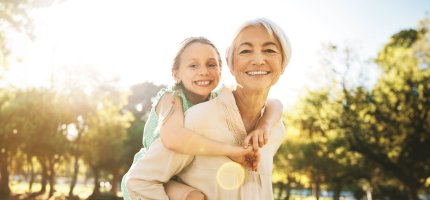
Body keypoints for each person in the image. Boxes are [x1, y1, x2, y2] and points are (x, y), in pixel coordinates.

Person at [126, 18, 291, 200]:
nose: (259, 60)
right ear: (231, 63)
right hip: (156, 169)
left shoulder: (275, 129)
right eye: (245, 51)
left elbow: (275, 104)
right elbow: (170, 141)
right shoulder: (177, 104)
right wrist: (230, 150)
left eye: (269, 50)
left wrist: (265, 125)